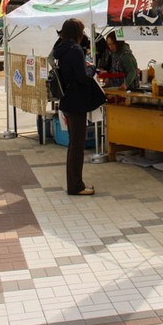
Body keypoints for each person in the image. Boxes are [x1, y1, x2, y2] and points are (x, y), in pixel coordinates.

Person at [52, 18, 96, 196]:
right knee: (77, 145)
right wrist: (91, 69)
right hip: (77, 101)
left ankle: (75, 184)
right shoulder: (76, 50)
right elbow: (82, 77)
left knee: (73, 144)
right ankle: (76, 186)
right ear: (77, 32)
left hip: (67, 100)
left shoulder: (60, 50)